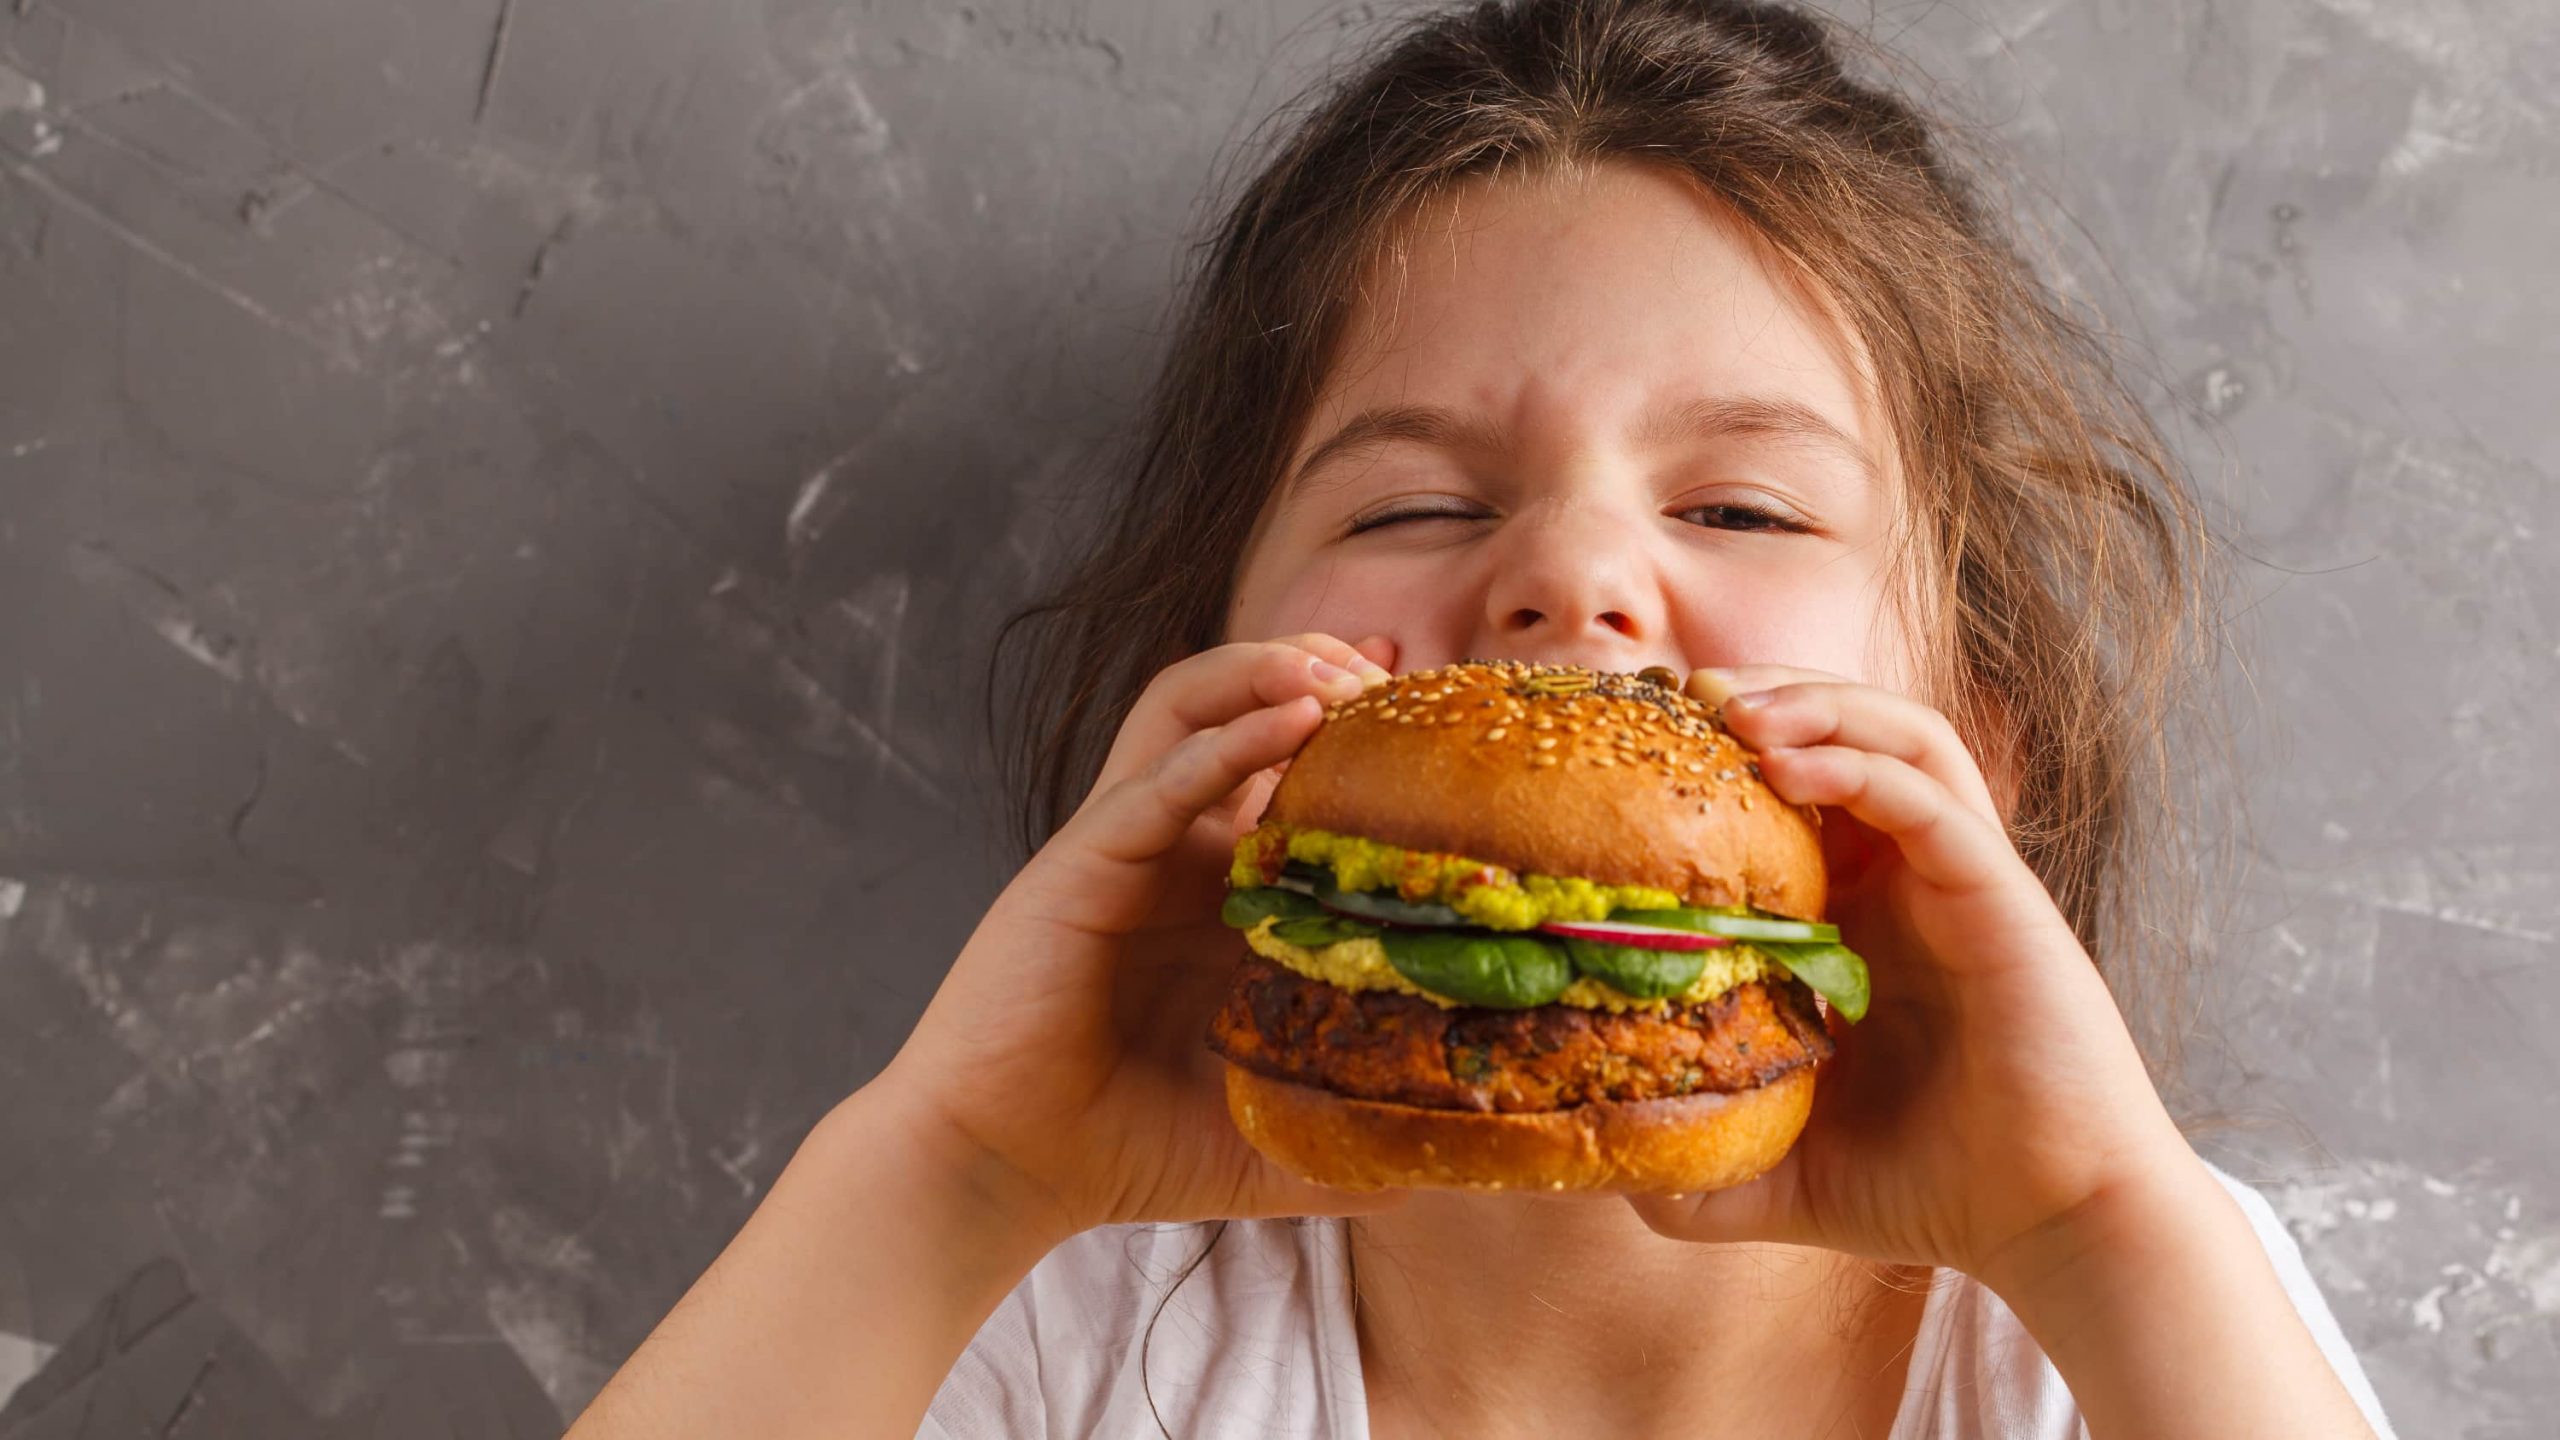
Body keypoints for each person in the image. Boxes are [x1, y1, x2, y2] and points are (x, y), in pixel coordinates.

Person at [567, 2, 2397, 1435]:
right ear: (1218, 714)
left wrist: (2093, 1232)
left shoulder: (2134, 1304)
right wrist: (953, 1175)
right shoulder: (1043, 1314)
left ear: (1978, 753)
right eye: (1413, 509)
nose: (1570, 579)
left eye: (1742, 509)